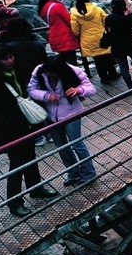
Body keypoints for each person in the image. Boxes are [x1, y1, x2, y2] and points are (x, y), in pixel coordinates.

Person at [0, 44, 58, 217]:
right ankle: (15, 202)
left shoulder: (17, 72)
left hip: (24, 124)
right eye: (5, 58)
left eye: (11, 56)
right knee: (17, 163)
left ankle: (35, 188)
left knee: (30, 157)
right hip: (7, 129)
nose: (10, 61)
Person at [28, 55, 97, 187]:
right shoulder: (39, 71)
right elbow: (31, 90)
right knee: (61, 146)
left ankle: (89, 173)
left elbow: (92, 89)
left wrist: (79, 90)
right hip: (51, 115)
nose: (50, 75)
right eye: (48, 72)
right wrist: (47, 96)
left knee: (77, 144)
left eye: (53, 73)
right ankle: (73, 172)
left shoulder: (73, 71)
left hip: (71, 113)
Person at [3, 18, 49, 146]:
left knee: (28, 108)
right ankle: (50, 132)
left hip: (22, 80)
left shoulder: (9, 47)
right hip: (40, 79)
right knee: (45, 104)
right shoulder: (37, 44)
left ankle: (38, 135)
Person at [70, 0, 119, 85]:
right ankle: (113, 74)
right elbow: (107, 23)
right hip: (102, 37)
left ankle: (104, 78)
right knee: (108, 56)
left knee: (97, 60)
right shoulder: (98, 9)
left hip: (88, 40)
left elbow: (75, 31)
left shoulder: (75, 13)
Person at [38, 0, 79, 66]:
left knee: (63, 60)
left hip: (54, 35)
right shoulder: (57, 6)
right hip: (65, 35)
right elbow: (69, 20)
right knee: (71, 60)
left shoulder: (42, 8)